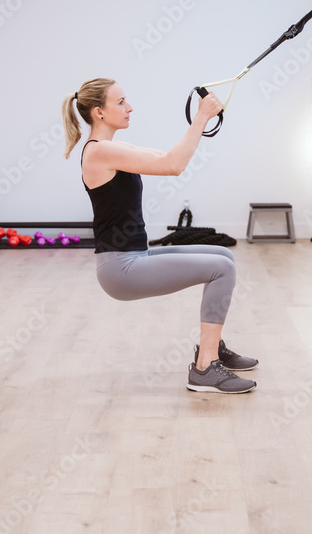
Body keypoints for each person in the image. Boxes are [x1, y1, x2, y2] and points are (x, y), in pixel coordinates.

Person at [62, 78, 257, 394]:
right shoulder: (100, 153)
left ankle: (212, 348)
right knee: (222, 270)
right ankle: (205, 369)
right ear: (99, 112)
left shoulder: (114, 148)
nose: (130, 107)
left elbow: (170, 156)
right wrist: (201, 118)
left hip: (135, 257)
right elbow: (173, 166)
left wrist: (201, 120)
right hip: (120, 270)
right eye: (121, 102)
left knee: (225, 257)